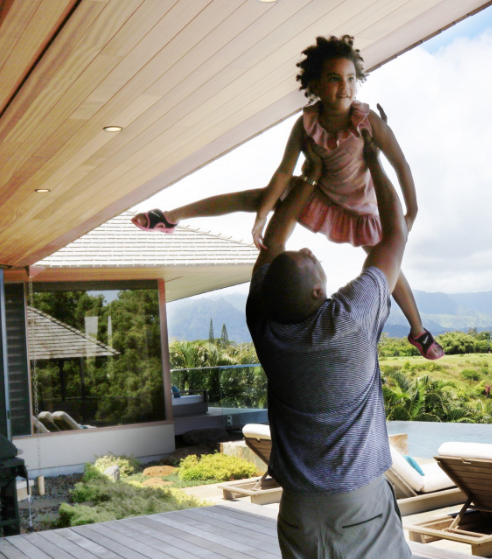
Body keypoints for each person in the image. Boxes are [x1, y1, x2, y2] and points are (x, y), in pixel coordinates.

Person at [132, 35, 443, 360]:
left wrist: (412, 211)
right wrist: (262, 214)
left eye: (351, 79)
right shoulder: (306, 124)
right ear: (316, 85)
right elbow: (283, 172)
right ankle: (171, 216)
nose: (345, 87)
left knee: (388, 265)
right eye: (334, 79)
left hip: (359, 209)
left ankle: (417, 330)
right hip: (320, 194)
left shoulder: (367, 121)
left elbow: (401, 164)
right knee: (255, 196)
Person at [246, 120, 411, 558]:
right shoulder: (348, 321)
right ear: (319, 291)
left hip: (298, 508)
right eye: (307, 257)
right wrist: (374, 159)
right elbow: (394, 235)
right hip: (356, 503)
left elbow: (272, 242)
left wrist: (310, 179)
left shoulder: (263, 325)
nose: (307, 249)